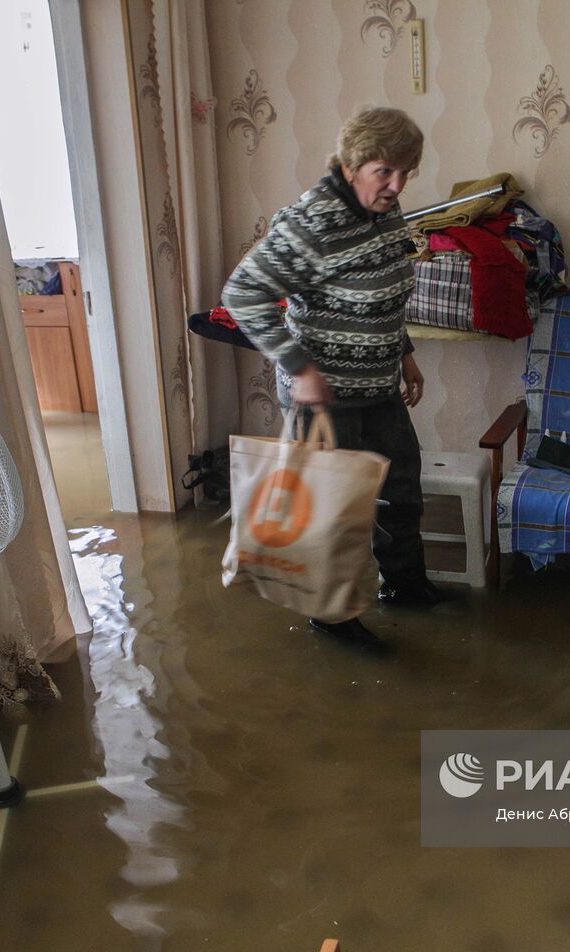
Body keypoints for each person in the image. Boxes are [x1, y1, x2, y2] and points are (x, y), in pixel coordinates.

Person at [222, 105, 444, 647]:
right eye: (384, 172)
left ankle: (405, 586)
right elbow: (242, 296)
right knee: (333, 510)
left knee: (401, 491)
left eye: (405, 172)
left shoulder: (384, 212)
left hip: (378, 383)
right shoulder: (309, 223)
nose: (396, 185)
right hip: (323, 396)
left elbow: (386, 289)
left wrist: (405, 352)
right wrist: (298, 368)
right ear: (350, 165)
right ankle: (330, 613)